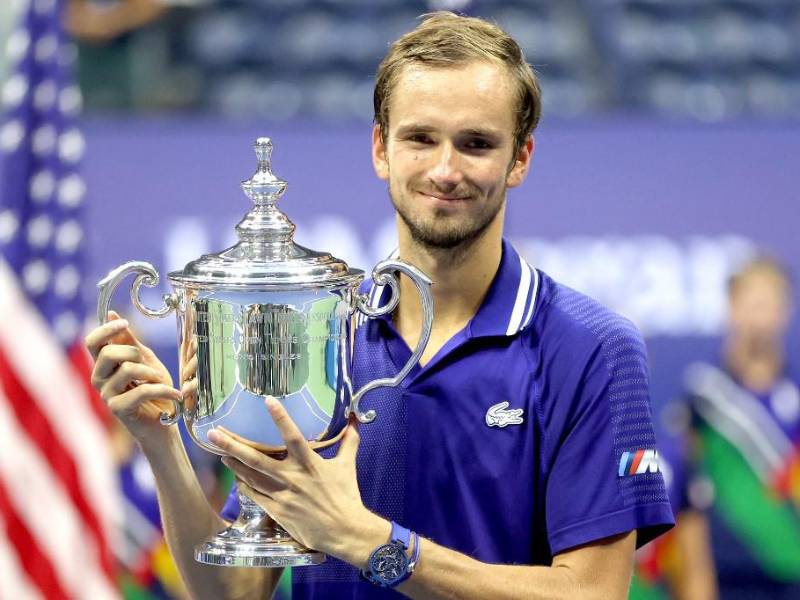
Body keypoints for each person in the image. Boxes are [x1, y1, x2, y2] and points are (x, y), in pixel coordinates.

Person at [85, 12, 674, 599]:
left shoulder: (592, 347)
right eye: (420, 138)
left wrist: (371, 542)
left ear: (520, 158)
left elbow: (592, 593)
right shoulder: (318, 331)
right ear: (380, 149)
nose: (445, 170)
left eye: (476, 144)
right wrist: (160, 441)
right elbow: (235, 592)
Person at [682, 257, 800, 600]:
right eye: (752, 305)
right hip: (727, 576)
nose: (760, 319)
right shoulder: (703, 398)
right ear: (731, 309)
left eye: (770, 305)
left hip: (792, 572)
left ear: (786, 311)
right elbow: (688, 501)